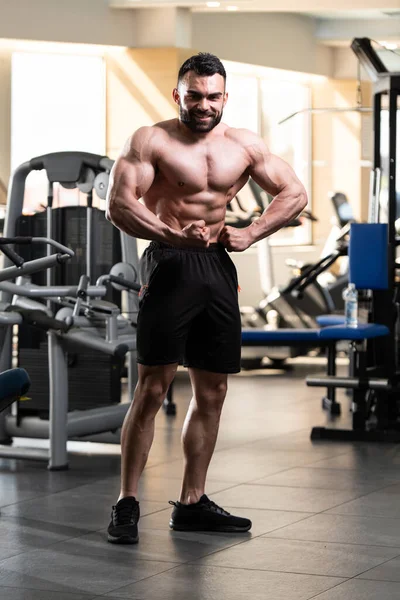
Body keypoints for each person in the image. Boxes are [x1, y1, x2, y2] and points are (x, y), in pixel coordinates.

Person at [106, 52, 307, 544]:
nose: (202, 105)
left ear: (224, 97)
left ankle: (192, 502)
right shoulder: (150, 140)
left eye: (212, 96)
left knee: (212, 391)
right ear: (177, 94)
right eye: (193, 96)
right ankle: (126, 502)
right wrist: (171, 235)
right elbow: (119, 206)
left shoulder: (243, 145)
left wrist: (251, 233)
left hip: (216, 265)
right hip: (169, 263)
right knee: (153, 388)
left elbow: (295, 193)